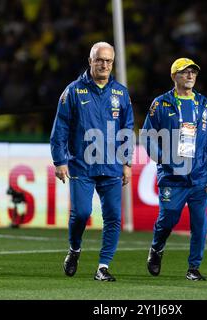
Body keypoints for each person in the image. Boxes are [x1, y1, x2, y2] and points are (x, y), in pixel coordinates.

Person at [50, 42, 134, 282]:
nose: (104, 64)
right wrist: (59, 160)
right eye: (99, 60)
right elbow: (61, 127)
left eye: (108, 60)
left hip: (111, 165)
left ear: (113, 63)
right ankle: (74, 249)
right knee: (82, 213)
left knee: (113, 217)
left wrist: (127, 162)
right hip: (81, 165)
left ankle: (103, 266)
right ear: (90, 61)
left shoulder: (121, 93)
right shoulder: (74, 91)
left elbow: (127, 128)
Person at [141, 58, 207, 280]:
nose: (190, 76)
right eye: (185, 72)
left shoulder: (205, 105)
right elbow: (148, 135)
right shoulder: (161, 104)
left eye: (193, 72)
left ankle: (193, 268)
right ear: (174, 76)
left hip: (198, 176)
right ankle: (156, 248)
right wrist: (163, 159)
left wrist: (206, 157)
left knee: (200, 223)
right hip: (171, 176)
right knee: (168, 219)